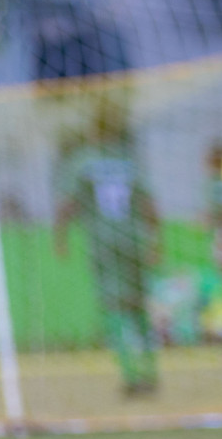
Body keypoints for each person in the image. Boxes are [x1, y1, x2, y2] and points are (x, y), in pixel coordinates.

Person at [54, 100, 161, 396]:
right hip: (134, 240)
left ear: (92, 130)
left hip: (103, 243)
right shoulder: (129, 160)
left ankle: (130, 375)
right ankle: (151, 370)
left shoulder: (83, 161)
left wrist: (59, 239)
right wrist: (156, 242)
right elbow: (149, 205)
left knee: (113, 308)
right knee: (138, 306)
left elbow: (67, 204)